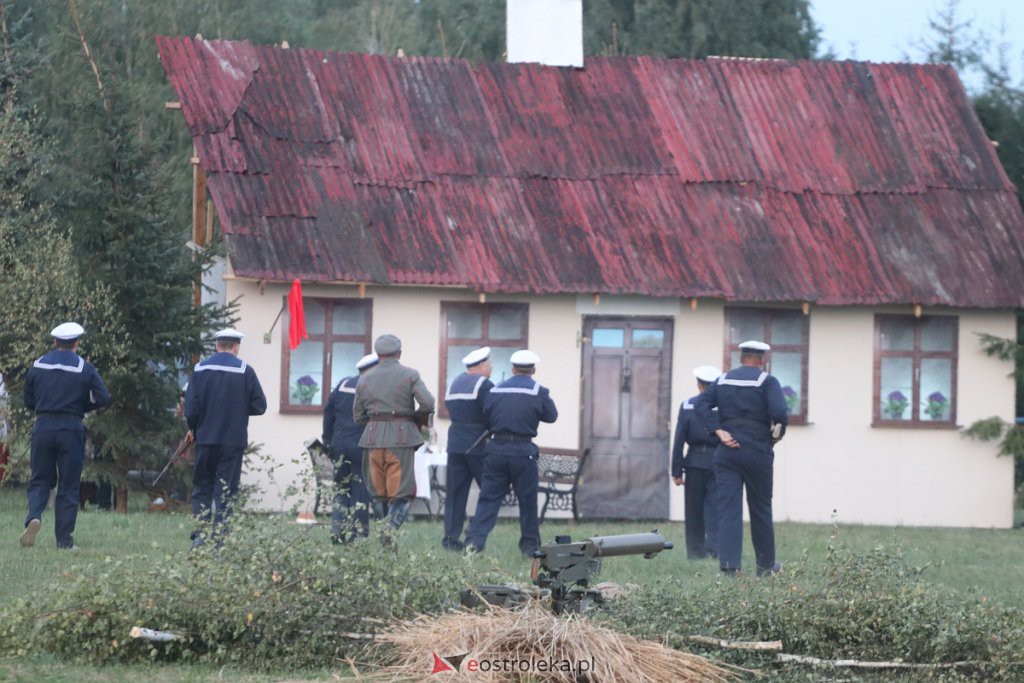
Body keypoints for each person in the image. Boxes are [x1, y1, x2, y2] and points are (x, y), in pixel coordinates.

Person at [693, 340, 788, 576]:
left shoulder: (723, 380)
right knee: (761, 509)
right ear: (762, 360)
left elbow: (701, 404)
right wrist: (775, 438)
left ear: (741, 358)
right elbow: (780, 414)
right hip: (757, 451)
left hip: (727, 452)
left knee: (728, 510)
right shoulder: (767, 381)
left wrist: (719, 431)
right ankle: (765, 567)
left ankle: (729, 568)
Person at [20, 322, 110, 549]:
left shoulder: (38, 365)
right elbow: (103, 397)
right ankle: (64, 541)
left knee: (40, 480)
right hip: (71, 429)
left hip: (43, 427)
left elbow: (28, 400)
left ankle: (34, 517)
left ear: (54, 342)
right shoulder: (84, 367)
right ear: (77, 343)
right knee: (68, 486)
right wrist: (82, 407)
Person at [464, 350, 558, 557]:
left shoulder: (495, 390)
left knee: (488, 500)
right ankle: (530, 548)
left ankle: (474, 544)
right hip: (524, 452)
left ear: (513, 368)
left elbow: (486, 419)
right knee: (527, 501)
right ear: (533, 369)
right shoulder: (538, 391)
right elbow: (552, 416)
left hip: (496, 449)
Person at [184, 328, 267, 548]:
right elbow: (260, 406)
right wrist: (239, 409)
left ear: (217, 346)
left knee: (202, 486)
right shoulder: (245, 371)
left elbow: (190, 409)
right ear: (236, 347)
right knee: (226, 491)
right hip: (232, 442)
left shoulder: (200, 369)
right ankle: (220, 541)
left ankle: (200, 537)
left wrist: (194, 428)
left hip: (205, 439)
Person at [353, 334, 435, 536]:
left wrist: (375, 424)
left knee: (378, 493)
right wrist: (413, 420)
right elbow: (428, 403)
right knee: (400, 493)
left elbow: (358, 416)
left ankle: (382, 533)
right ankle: (389, 533)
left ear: (378, 354)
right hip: (401, 438)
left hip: (372, 439)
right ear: (399, 353)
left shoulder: (364, 379)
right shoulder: (410, 375)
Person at [441, 346, 494, 551]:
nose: (490, 368)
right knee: (490, 492)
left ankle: (450, 540)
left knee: (455, 494)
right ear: (480, 365)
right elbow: (491, 412)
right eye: (489, 365)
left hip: (454, 444)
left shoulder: (454, 383)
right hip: (478, 444)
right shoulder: (485, 384)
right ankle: (474, 535)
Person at [322, 352, 378, 544]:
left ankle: (338, 533)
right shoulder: (374, 388)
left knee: (341, 489)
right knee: (360, 491)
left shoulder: (343, 384)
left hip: (339, 446)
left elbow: (328, 412)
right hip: (362, 448)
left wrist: (327, 440)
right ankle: (358, 535)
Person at [671, 365, 722, 560]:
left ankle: (695, 552)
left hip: (694, 463)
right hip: (718, 462)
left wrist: (676, 471)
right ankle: (716, 550)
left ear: (699, 385)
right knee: (716, 508)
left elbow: (679, 440)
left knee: (693, 510)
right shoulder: (724, 407)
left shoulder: (687, 406)